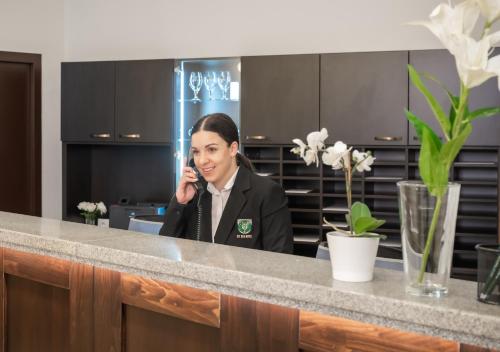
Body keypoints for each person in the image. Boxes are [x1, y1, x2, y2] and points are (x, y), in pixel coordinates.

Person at [160, 113, 293, 253]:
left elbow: (281, 261)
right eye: (196, 152)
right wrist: (180, 203)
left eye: (211, 149)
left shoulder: (266, 193)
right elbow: (165, 251)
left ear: (233, 149)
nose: (202, 160)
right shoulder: (195, 194)